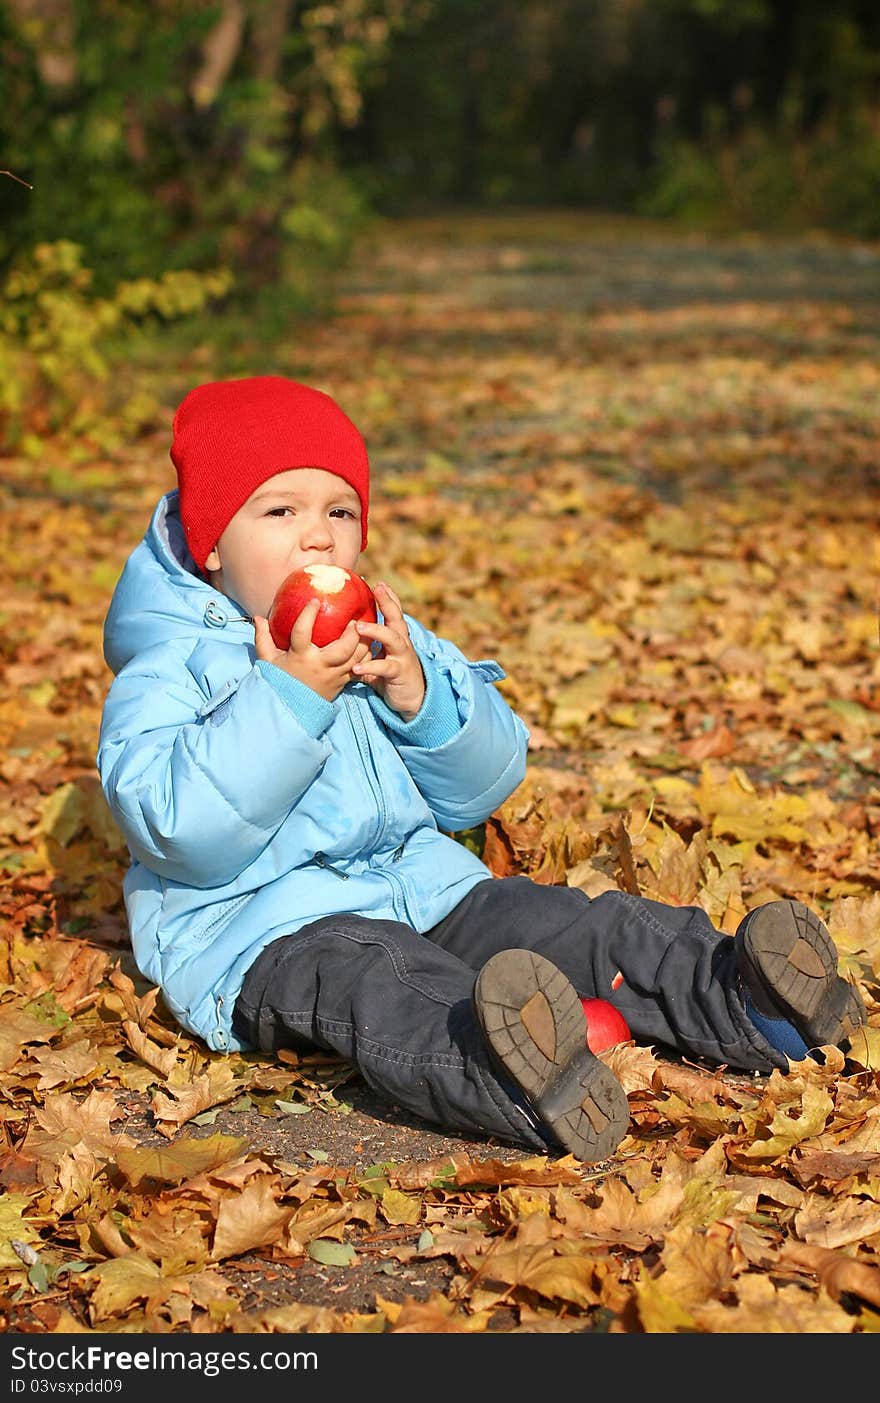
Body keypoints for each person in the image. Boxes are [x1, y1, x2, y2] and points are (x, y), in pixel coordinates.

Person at [97, 375, 867, 1164]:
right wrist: (287, 700)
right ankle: (513, 1071)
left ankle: (748, 994)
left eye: (340, 511)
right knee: (387, 978)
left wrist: (420, 695)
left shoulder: (377, 632)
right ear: (212, 542)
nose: (319, 538)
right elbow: (179, 830)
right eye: (280, 510)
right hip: (265, 930)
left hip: (425, 888)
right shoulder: (167, 672)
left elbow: (486, 783)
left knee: (575, 923)